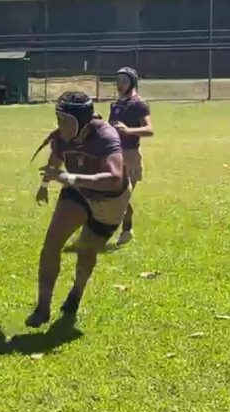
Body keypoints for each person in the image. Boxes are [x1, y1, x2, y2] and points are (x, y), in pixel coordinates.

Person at [27, 91, 131, 328]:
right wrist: (44, 185)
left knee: (86, 251)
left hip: (110, 200)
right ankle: (42, 307)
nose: (59, 125)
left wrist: (69, 177)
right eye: (58, 119)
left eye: (65, 121)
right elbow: (55, 159)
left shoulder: (105, 136)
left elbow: (114, 178)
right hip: (79, 192)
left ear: (81, 121)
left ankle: (76, 292)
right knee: (52, 242)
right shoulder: (62, 136)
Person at [109, 67, 154, 246]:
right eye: (118, 80)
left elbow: (149, 130)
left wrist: (129, 131)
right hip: (114, 155)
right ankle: (123, 229)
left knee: (121, 196)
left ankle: (126, 230)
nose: (119, 84)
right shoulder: (116, 104)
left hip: (130, 156)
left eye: (124, 81)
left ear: (132, 83)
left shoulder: (138, 104)